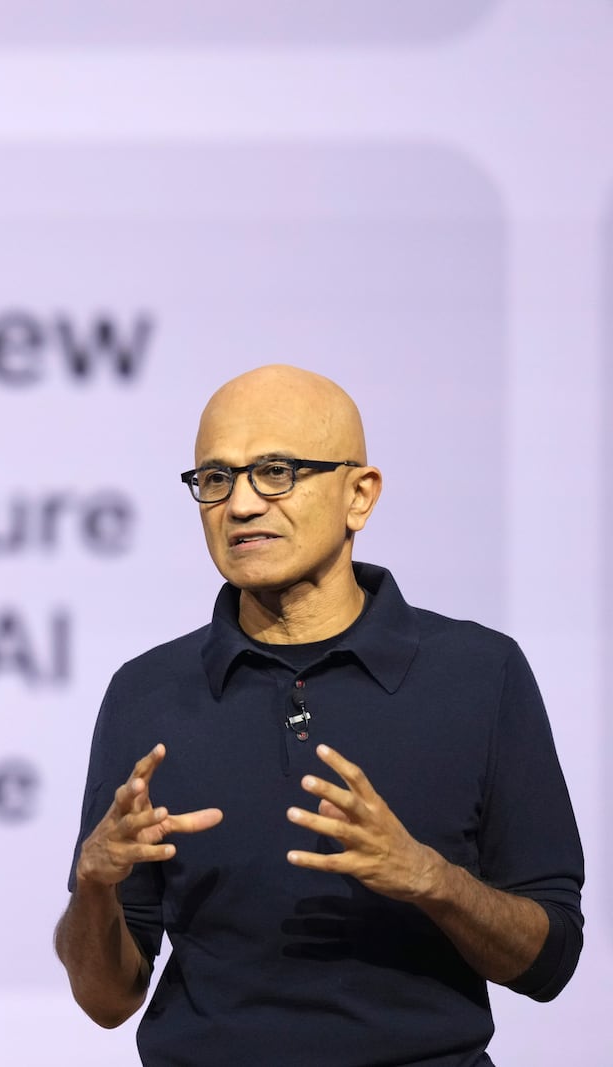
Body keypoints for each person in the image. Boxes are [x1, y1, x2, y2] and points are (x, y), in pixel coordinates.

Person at [53, 365, 583, 1066]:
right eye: (214, 479)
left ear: (358, 495)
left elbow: (549, 961)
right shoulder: (147, 693)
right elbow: (107, 999)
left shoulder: (481, 674)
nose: (240, 504)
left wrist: (432, 878)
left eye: (275, 471)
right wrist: (94, 885)